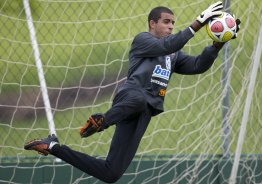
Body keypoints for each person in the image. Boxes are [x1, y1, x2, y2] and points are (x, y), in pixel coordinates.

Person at [24, 2, 240, 183]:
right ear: (152, 23)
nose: (171, 26)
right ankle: (102, 121)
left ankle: (52, 146)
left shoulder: (173, 54)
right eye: (166, 22)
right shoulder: (143, 40)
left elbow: (197, 66)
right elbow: (167, 46)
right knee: (139, 99)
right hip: (131, 97)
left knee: (111, 173)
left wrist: (217, 45)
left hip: (145, 110)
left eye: (173, 23)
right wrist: (199, 22)